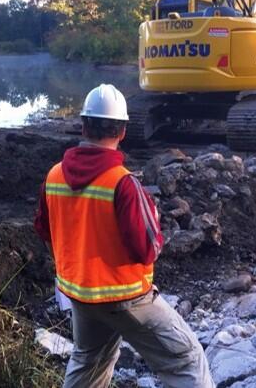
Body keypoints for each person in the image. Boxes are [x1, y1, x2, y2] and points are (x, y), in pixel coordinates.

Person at [34, 84, 214, 388]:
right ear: (122, 131)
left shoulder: (53, 175)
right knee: (186, 359)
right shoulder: (123, 184)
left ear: (84, 125)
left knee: (88, 362)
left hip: (80, 294)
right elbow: (146, 248)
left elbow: (44, 229)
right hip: (126, 297)